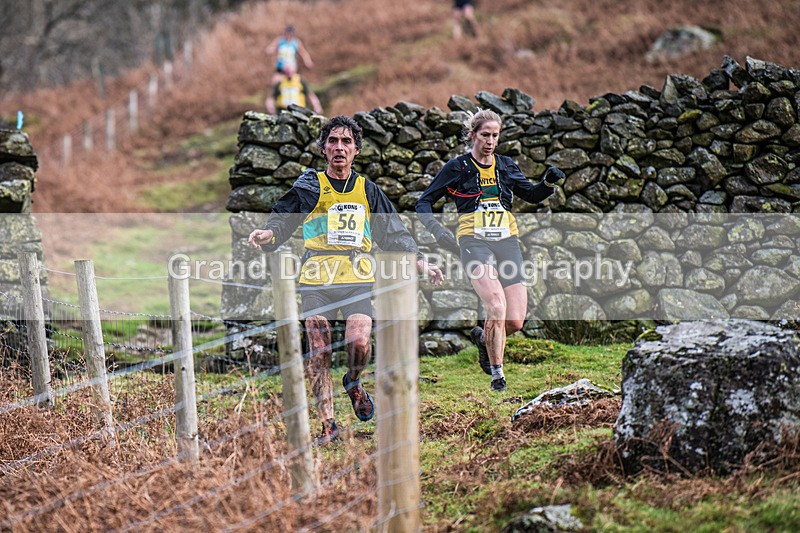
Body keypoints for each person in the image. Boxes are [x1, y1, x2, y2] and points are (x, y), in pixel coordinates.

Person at [248, 115, 444, 442]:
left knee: (359, 341)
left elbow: (395, 233)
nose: (340, 147)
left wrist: (420, 262)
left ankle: (353, 381)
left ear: (356, 150)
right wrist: (268, 233)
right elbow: (284, 217)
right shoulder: (311, 185)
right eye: (333, 142)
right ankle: (328, 424)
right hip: (316, 280)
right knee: (319, 349)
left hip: (356, 278)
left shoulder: (368, 190)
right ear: (324, 149)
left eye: (347, 142)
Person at [416, 109, 564, 392]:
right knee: (495, 304)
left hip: (507, 240)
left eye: (495, 135)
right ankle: (498, 376)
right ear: (473, 135)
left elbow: (531, 195)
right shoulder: (458, 167)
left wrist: (547, 183)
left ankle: (485, 338)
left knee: (516, 320)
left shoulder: (506, 165)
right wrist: (438, 231)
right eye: (485, 135)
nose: (490, 141)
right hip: (474, 241)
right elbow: (424, 202)